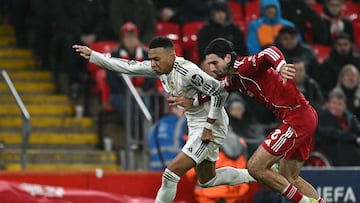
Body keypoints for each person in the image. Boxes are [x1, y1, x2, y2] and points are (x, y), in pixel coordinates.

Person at [73, 36, 256, 203]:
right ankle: (258, 174)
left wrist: (208, 126)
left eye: (156, 59)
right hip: (195, 124)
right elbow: (128, 66)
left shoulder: (188, 71)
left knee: (171, 173)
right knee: (208, 180)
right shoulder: (159, 69)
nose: (152, 64)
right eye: (151, 59)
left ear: (171, 57)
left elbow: (219, 91)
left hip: (211, 125)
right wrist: (94, 56)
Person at [172, 38, 325, 203]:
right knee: (290, 177)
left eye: (215, 62)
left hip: (297, 119)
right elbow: (216, 90)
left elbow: (269, 52)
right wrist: (192, 101)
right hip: (304, 116)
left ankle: (305, 202)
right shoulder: (234, 79)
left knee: (255, 167)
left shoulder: (242, 67)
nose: (211, 68)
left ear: (228, 58)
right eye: (209, 64)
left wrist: (280, 66)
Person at [106, 22, 157, 123]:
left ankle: (146, 134)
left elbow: (153, 76)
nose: (130, 40)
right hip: (121, 93)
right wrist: (127, 91)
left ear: (137, 37)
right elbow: (111, 79)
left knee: (145, 102)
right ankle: (132, 136)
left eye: (132, 36)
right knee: (128, 106)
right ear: (122, 39)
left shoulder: (146, 54)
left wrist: (142, 89)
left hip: (142, 92)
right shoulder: (115, 55)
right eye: (127, 37)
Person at [316, 89, 360, 166]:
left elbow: (357, 129)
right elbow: (332, 133)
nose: (336, 106)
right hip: (330, 148)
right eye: (334, 103)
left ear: (345, 106)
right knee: (342, 145)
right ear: (328, 104)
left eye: (340, 104)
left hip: (350, 148)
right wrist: (354, 138)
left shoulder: (350, 118)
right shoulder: (322, 118)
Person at [314, 32, 360, 98]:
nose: (342, 47)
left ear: (350, 45)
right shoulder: (327, 64)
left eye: (345, 44)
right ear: (335, 46)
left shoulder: (357, 61)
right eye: (339, 45)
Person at [148, 105, 187, 171]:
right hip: (175, 168)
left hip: (155, 169)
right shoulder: (182, 122)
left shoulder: (154, 126)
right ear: (173, 109)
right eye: (182, 108)